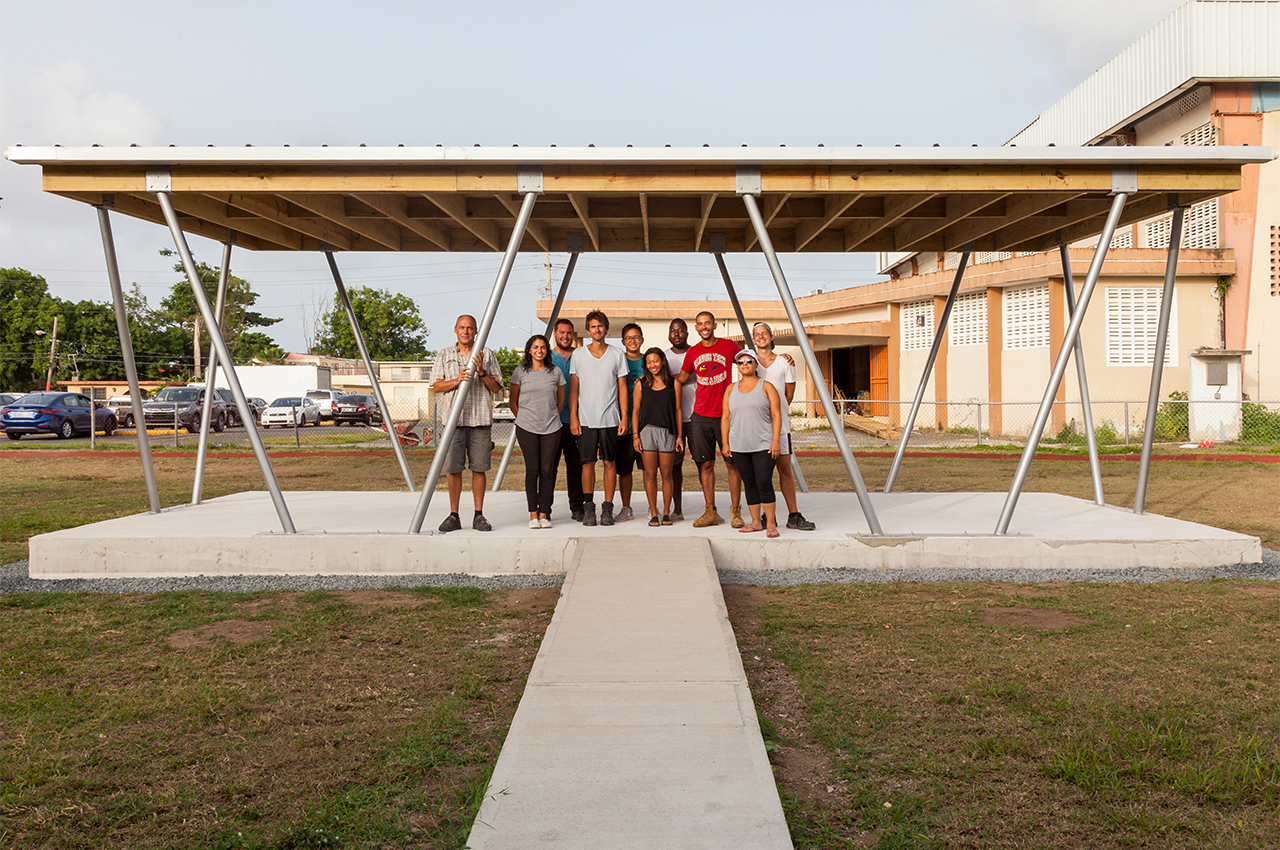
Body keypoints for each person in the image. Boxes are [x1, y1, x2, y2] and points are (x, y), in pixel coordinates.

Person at [430, 314, 504, 533]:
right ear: (455, 330)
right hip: (454, 422)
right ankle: (454, 515)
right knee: (454, 469)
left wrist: (481, 372)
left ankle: (478, 515)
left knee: (479, 468)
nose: (466, 331)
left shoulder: (487, 354)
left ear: (476, 331)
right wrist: (457, 381)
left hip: (479, 421)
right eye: (462, 327)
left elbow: (497, 387)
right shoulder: (444, 355)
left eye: (470, 328)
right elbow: (436, 386)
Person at [675, 311, 743, 528]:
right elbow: (683, 377)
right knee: (706, 464)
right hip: (701, 416)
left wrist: (776, 357)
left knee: (732, 464)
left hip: (726, 414)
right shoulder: (693, 352)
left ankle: (735, 512)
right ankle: (710, 511)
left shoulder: (729, 346)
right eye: (700, 324)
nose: (704, 327)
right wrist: (653, 377)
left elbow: (748, 361)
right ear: (696, 328)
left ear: (714, 325)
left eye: (707, 323)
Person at [752, 322, 816, 531]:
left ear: (771, 337)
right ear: (753, 339)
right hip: (757, 427)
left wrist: (777, 415)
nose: (761, 337)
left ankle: (793, 515)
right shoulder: (749, 363)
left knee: (785, 470)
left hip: (780, 427)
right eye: (757, 334)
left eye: (764, 333)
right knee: (762, 474)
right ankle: (767, 515)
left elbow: (788, 395)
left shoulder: (785, 362)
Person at [568, 310, 628, 527]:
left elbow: (622, 388)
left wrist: (624, 417)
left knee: (610, 462)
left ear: (606, 328)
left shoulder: (617, 354)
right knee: (588, 463)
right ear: (588, 330)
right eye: (593, 326)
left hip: (611, 418)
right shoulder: (579, 355)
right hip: (585, 418)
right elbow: (574, 388)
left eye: (600, 326)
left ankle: (607, 509)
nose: (597, 330)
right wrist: (574, 417)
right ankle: (589, 508)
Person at [721, 349, 783, 538]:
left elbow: (776, 415)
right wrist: (725, 443)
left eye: (749, 360)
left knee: (763, 482)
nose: (745, 364)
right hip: (739, 445)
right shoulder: (731, 388)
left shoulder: (767, 386)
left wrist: (775, 441)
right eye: (740, 362)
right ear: (737, 366)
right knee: (749, 483)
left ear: (756, 364)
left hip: (763, 444)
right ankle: (755, 522)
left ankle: (770, 522)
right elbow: (725, 417)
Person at [510, 334, 565, 529]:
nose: (539, 351)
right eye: (535, 347)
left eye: (543, 347)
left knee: (548, 471)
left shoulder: (556, 372)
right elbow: (513, 402)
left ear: (547, 350)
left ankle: (544, 514)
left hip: (551, 427)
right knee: (533, 470)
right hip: (526, 428)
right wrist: (525, 419)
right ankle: (533, 514)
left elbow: (560, 402)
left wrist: (548, 416)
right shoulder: (520, 372)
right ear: (529, 350)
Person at [631, 347, 683, 526]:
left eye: (656, 361)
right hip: (647, 433)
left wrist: (679, 436)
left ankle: (667, 512)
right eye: (649, 362)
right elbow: (635, 411)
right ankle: (654, 512)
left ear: (662, 361)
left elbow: (678, 410)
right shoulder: (641, 384)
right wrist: (636, 436)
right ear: (645, 365)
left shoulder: (674, 384)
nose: (653, 365)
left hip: (668, 433)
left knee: (667, 475)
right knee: (650, 474)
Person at [549, 319, 585, 522]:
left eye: (569, 333)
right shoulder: (547, 356)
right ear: (555, 334)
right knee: (549, 466)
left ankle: (577, 507)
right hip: (552, 420)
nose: (565, 336)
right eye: (562, 332)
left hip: (576, 419)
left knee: (575, 465)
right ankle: (545, 507)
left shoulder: (580, 355)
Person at [664, 318, 696, 522]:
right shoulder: (664, 357)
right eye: (673, 331)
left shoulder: (696, 353)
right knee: (674, 466)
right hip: (673, 420)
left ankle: (709, 507)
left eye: (681, 330)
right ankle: (677, 509)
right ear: (669, 334)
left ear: (686, 333)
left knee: (704, 463)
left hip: (696, 416)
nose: (677, 334)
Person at [614, 323, 646, 523]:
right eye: (628, 338)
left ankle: (653, 507)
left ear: (642, 339)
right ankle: (626, 508)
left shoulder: (650, 361)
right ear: (623, 341)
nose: (632, 341)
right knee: (624, 470)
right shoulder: (618, 361)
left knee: (648, 470)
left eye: (636, 337)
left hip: (646, 425)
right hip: (623, 425)